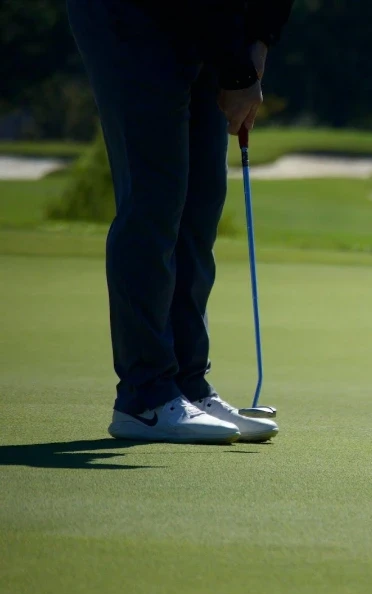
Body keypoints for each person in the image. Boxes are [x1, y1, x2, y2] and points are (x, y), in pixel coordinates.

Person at [66, 0, 294, 443]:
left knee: (200, 201)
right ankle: (145, 397)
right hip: (132, 16)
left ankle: (187, 385)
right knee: (154, 202)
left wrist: (258, 42)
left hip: (211, 23)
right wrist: (237, 69)